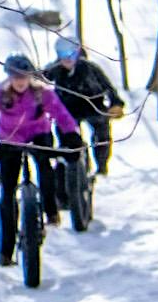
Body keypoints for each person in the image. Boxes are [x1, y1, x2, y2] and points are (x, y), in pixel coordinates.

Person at [0, 64, 80, 286]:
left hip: (38, 135)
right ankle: (6, 249)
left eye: (24, 76)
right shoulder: (0, 93)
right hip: (10, 139)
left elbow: (62, 115)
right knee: (7, 193)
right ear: (9, 77)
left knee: (45, 169)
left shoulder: (42, 93)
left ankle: (51, 210)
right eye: (15, 76)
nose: (20, 81)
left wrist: (72, 135)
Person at [45, 35, 126, 201]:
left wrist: (116, 103)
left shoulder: (90, 68)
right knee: (66, 137)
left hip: (93, 106)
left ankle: (101, 165)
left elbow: (108, 87)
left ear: (78, 53)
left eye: (71, 54)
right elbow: (39, 80)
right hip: (68, 109)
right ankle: (72, 170)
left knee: (101, 133)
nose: (67, 59)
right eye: (62, 55)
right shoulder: (55, 69)